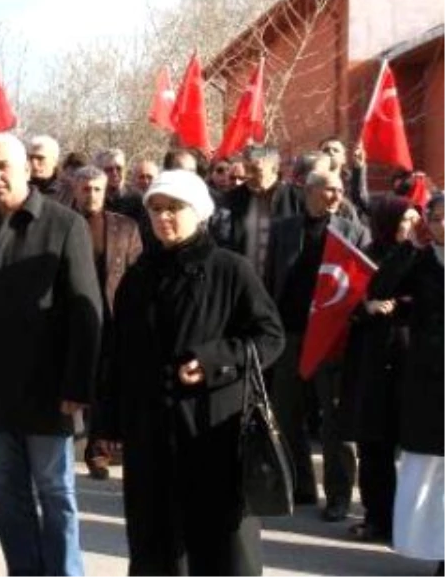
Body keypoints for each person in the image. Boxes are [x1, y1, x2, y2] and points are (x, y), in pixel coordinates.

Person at [95, 169, 284, 576]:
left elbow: (270, 337)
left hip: (214, 429)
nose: (163, 218)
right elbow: (117, 353)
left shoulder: (230, 270)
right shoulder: (137, 277)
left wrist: (215, 360)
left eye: (174, 209)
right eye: (156, 209)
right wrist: (108, 423)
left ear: (198, 212)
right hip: (150, 433)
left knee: (218, 544)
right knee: (155, 541)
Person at [0, 133, 101, 577]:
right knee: (7, 491)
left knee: (55, 492)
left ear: (27, 169)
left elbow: (85, 312)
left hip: (48, 389)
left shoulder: (64, 224)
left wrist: (77, 384)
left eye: (2, 167)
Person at [264, 170, 370, 519]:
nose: (336, 195)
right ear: (309, 191)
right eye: (329, 189)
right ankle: (301, 485)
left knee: (334, 421)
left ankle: (338, 496)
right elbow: (269, 279)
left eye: (340, 190)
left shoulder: (354, 232)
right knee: (286, 413)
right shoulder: (283, 230)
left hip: (330, 338)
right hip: (290, 334)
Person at [368, 193, 445, 576]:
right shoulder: (421, 261)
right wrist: (409, 249)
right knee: (432, 471)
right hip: (429, 384)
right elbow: (380, 288)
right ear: (427, 222)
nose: (444, 225)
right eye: (439, 218)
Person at [340, 194, 420, 543]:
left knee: (416, 454)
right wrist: (366, 307)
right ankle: (378, 518)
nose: (409, 228)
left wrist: (403, 303)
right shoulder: (364, 258)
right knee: (375, 448)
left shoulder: (422, 259)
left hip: (411, 366)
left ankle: (412, 525)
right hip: (371, 363)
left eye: (414, 220)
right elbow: (344, 302)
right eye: (402, 221)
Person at [71, 165, 142, 480]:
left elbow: (138, 271)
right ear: (75, 190)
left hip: (113, 317)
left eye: (97, 189)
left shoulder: (125, 227)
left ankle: (98, 452)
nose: (91, 195)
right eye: (85, 189)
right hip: (73, 317)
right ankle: (77, 443)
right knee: (77, 383)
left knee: (106, 385)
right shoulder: (63, 223)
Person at [213, 145, 303, 274]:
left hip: (285, 280)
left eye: (256, 170)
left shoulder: (296, 199)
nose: (250, 176)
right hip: (243, 277)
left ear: (275, 168)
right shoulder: (231, 200)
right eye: (248, 169)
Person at [27, 134, 71, 205]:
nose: (34, 163)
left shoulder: (69, 191)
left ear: (55, 161)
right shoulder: (21, 187)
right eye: (31, 158)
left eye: (40, 158)